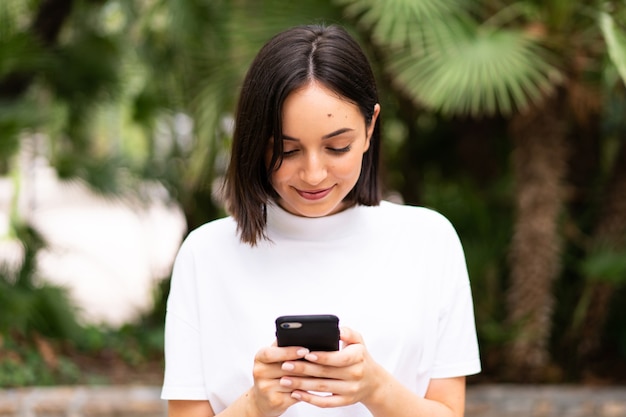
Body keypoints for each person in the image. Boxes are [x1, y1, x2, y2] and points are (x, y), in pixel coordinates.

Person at [161, 24, 481, 417]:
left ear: (370, 128)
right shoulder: (205, 254)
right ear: (255, 143)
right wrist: (257, 405)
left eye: (337, 147)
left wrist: (375, 387)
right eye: (287, 150)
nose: (314, 174)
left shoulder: (430, 241)